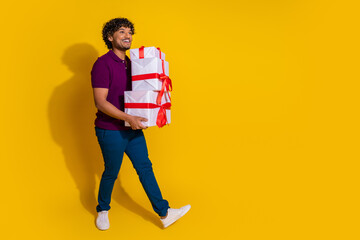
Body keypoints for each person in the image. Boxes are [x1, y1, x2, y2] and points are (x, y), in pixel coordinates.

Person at [91, 18, 190, 231]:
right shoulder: (102, 63)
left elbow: (142, 93)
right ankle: (103, 209)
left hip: (132, 127)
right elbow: (100, 101)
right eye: (121, 32)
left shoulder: (134, 64)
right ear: (110, 37)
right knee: (111, 171)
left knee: (145, 167)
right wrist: (128, 118)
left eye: (130, 32)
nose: (127, 36)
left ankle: (164, 213)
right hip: (110, 129)